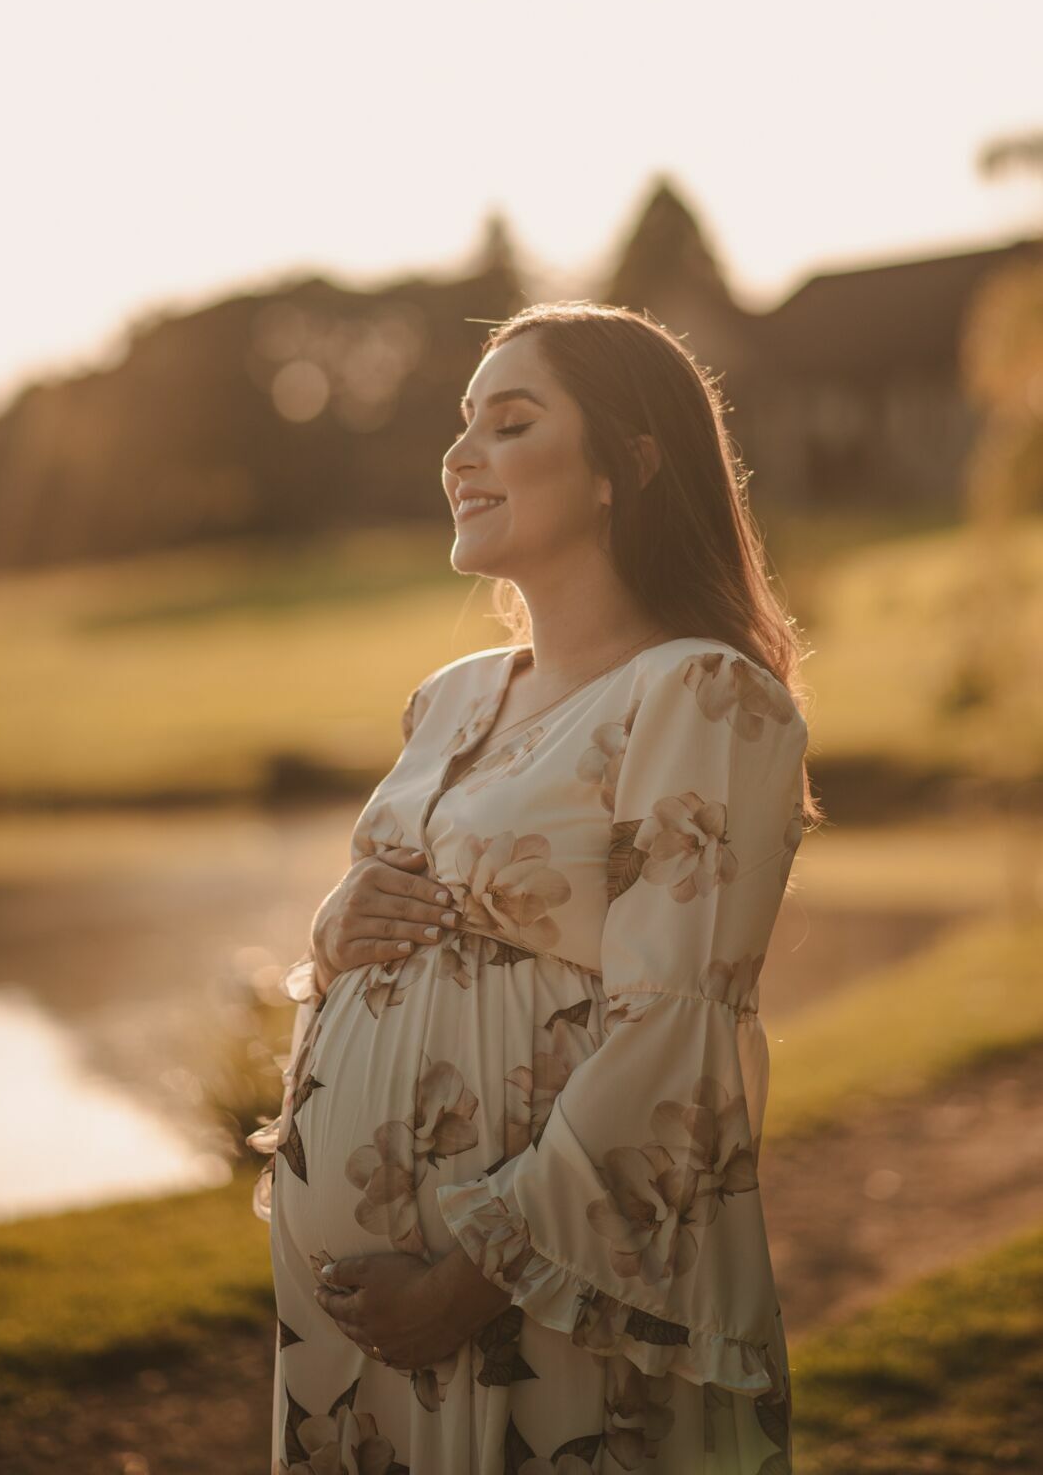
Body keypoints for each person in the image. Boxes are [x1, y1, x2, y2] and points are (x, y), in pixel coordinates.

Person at [249, 300, 823, 1473]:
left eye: (511, 423)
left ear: (628, 465)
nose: (459, 457)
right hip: (344, 1335)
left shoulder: (705, 697)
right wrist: (331, 924)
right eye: (463, 424)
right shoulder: (450, 695)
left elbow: (678, 1042)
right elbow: (395, 920)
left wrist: (470, 1281)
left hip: (548, 1304)